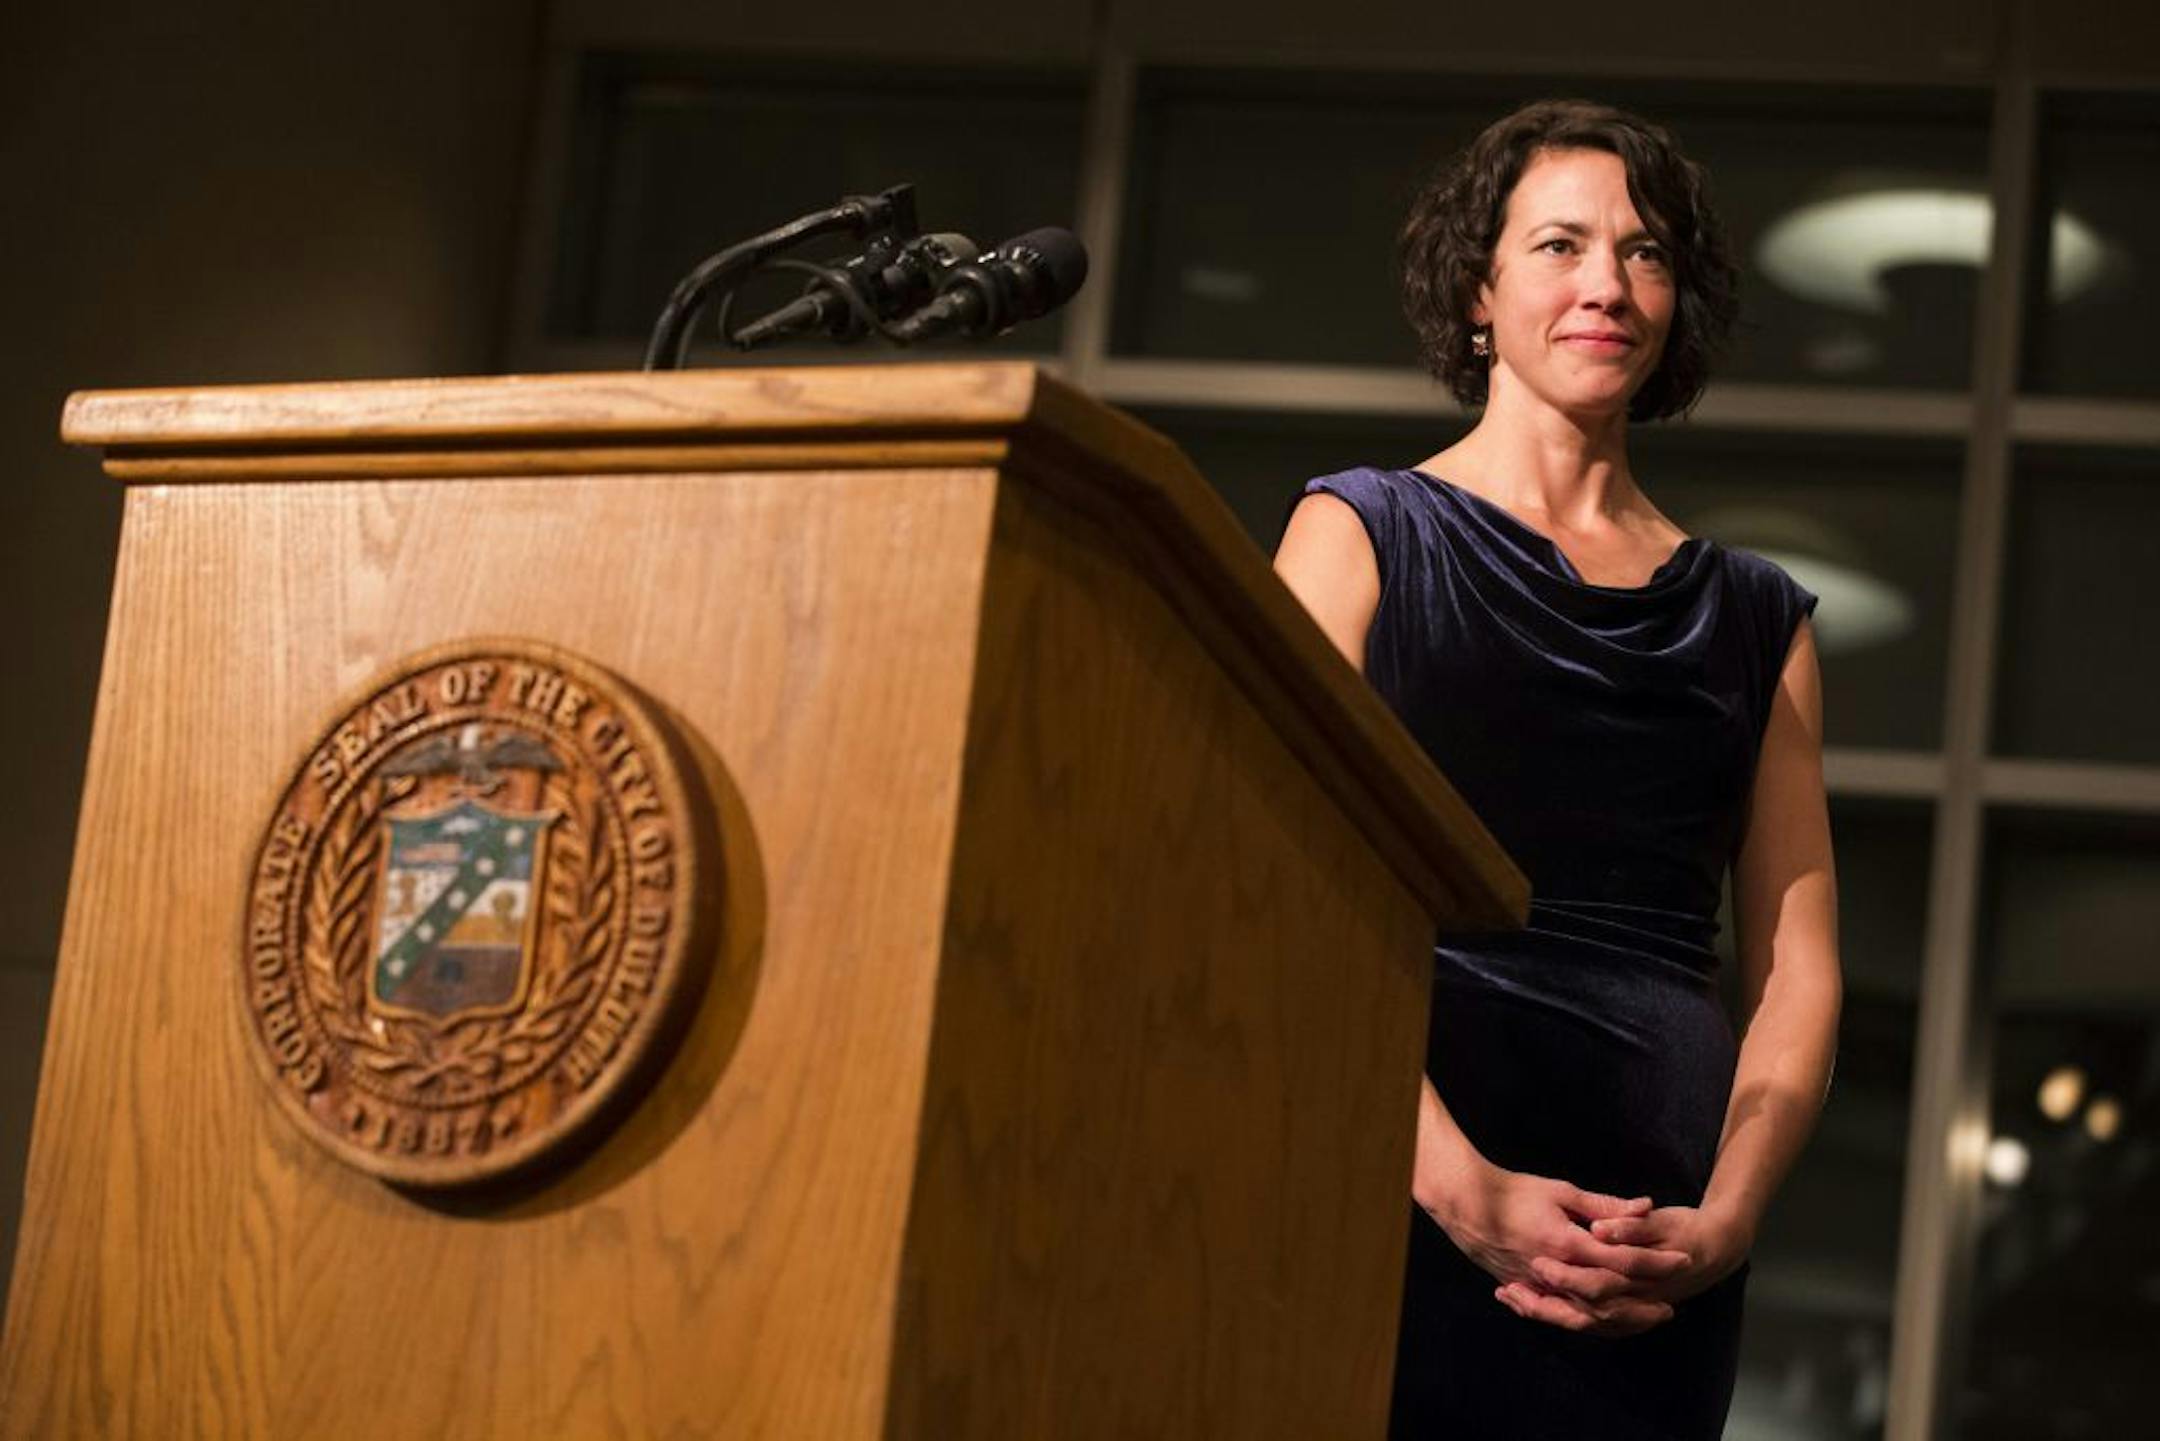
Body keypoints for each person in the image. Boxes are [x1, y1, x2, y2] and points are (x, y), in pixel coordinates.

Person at [1272, 100, 1843, 1439]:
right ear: (1478, 291)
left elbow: (1797, 968)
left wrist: (1729, 1222)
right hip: (1390, 1182)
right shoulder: (1356, 533)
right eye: (1560, 245)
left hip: (1652, 1257)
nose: (1606, 285)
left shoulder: (1761, 619)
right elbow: (1268, 882)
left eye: (1644, 254)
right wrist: (1459, 1187)